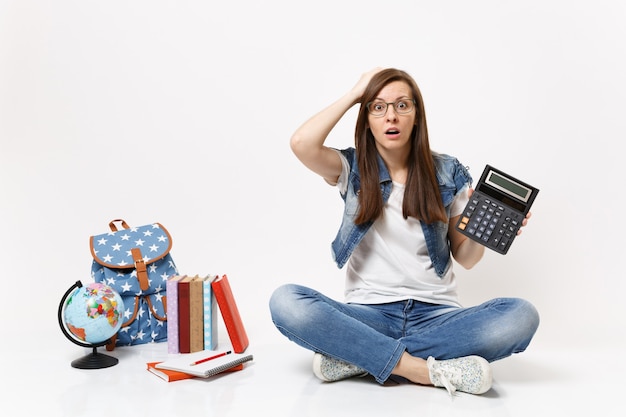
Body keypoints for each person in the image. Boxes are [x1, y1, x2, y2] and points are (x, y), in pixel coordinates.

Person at [269, 68, 539, 396]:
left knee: (522, 316)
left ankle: (361, 356)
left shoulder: (447, 171)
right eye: (378, 107)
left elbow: (465, 258)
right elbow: (301, 143)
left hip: (436, 315)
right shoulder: (351, 168)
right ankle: (423, 369)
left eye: (402, 106)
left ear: (416, 115)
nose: (391, 116)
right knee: (286, 302)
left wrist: (484, 232)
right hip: (368, 313)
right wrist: (356, 93)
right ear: (366, 118)